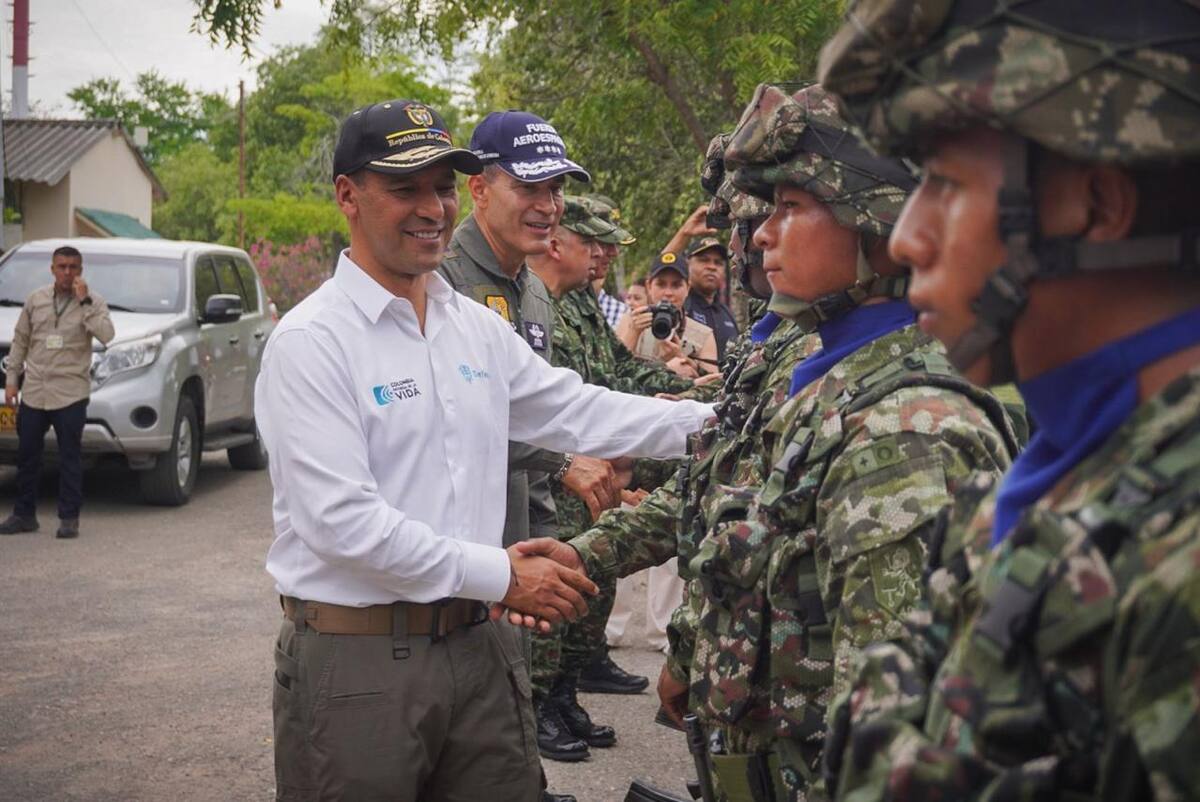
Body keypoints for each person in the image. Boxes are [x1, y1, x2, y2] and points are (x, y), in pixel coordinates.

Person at [554, 83, 1022, 801]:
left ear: (880, 224)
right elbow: (732, 519)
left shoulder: (904, 429)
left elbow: (891, 745)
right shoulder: (827, 380)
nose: (762, 235)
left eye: (792, 208)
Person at [258, 99, 714, 802]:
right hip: (360, 663)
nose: (432, 208)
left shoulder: (470, 326)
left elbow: (572, 408)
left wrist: (721, 425)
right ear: (348, 195)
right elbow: (340, 524)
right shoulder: (312, 341)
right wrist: (500, 575)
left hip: (480, 647)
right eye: (405, 187)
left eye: (441, 187)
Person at [817, 2, 1200, 800]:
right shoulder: (1068, 462)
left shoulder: (1180, 556)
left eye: (945, 185)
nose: (907, 237)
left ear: (1096, 206)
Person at [0, 245, 114, 539]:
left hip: (70, 391)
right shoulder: (35, 300)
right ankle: (24, 515)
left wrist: (84, 301)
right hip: (36, 389)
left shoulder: (92, 301)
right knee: (27, 455)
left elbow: (107, 334)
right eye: (61, 266)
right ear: (52, 269)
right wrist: (12, 379)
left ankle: (68, 517)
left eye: (73, 267)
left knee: (69, 457)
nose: (67, 272)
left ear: (81, 271)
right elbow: (20, 340)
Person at [616, 253, 719, 377]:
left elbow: (713, 384)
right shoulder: (631, 321)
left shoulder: (703, 335)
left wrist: (681, 357)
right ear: (649, 286)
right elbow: (613, 371)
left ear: (688, 288)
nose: (668, 293)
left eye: (676, 285)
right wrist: (633, 333)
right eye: (661, 284)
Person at [682, 236, 740, 361]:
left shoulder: (727, 314)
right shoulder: (681, 305)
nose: (712, 267)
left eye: (718, 263)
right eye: (704, 260)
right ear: (687, 264)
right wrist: (684, 233)